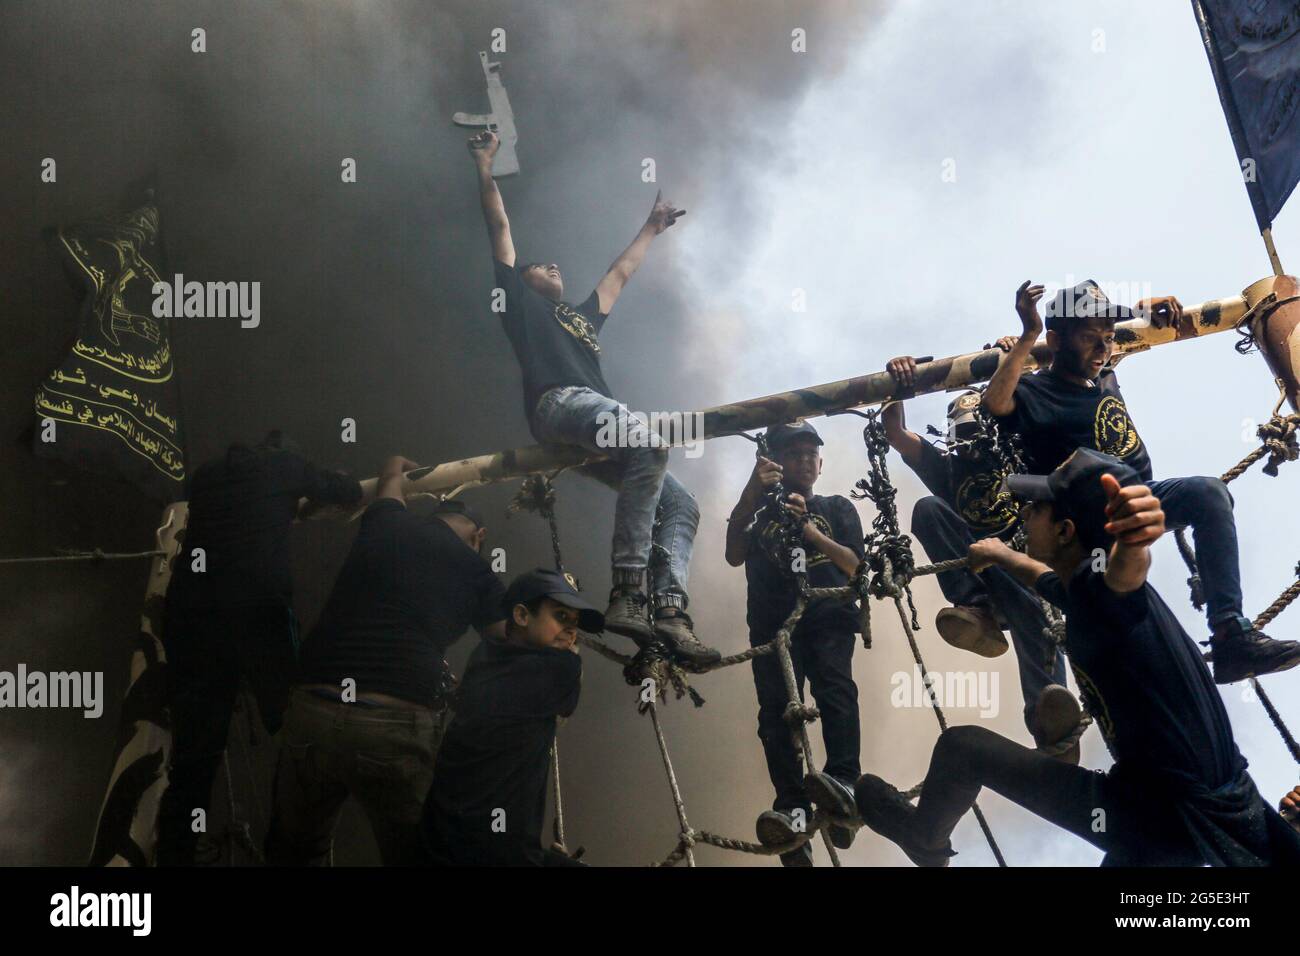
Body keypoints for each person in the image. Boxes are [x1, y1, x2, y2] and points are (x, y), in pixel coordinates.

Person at [854, 448, 1300, 866]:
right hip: (1184, 806)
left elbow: (1126, 572)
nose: (1024, 514)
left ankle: (925, 840)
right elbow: (1049, 581)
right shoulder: (1082, 589)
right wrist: (1004, 555)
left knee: (962, 748)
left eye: (1036, 509)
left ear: (1066, 531)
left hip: (1162, 816)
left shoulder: (1106, 592)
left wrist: (1134, 538)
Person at [467, 128, 717, 668]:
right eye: (540, 265)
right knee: (649, 446)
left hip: (594, 419)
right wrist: (485, 166)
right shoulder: (516, 302)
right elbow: (500, 226)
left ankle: (669, 609)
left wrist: (652, 227)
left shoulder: (580, 318)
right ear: (523, 279)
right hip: (560, 405)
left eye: (554, 265)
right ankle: (629, 590)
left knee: (680, 502)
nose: (551, 266)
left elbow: (621, 273)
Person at [983, 278, 1300, 684]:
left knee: (1207, 493)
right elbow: (995, 403)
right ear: (1057, 341)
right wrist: (1028, 335)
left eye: (1108, 337)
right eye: (1088, 338)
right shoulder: (1034, 390)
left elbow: (1131, 338)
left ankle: (1230, 636)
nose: (1102, 348)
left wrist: (1143, 310)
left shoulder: (1104, 371)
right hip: (1085, 516)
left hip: (1137, 501)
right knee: (1118, 625)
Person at [264, 456, 507, 865]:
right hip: (393, 725)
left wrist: (396, 466)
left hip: (313, 710)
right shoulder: (479, 573)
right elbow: (510, 645)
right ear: (478, 535)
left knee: (295, 854)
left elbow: (390, 482)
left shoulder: (387, 523)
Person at [155, 431, 362, 865]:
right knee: (296, 729)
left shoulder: (208, 476)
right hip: (257, 612)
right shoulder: (285, 465)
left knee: (194, 755)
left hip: (192, 615)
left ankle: (173, 856)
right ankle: (293, 853)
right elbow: (344, 492)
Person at [883, 352, 1077, 757]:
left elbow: (1049, 416)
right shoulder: (946, 467)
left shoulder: (1020, 460)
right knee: (929, 508)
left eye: (978, 432)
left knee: (1035, 613)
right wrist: (897, 388)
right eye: (963, 433)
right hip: (981, 574)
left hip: (1026, 571)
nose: (971, 443)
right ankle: (975, 609)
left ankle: (1049, 720)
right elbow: (897, 434)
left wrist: (1020, 362)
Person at [725, 421, 865, 865]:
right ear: (777, 462)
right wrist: (750, 494)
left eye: (811, 454)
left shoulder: (837, 507)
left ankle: (844, 782)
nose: (804, 460)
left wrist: (810, 530)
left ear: (821, 465)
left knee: (836, 691)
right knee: (775, 716)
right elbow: (733, 553)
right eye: (793, 453)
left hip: (827, 617)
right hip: (772, 629)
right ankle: (793, 811)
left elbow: (853, 566)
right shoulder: (757, 516)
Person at [422, 569, 602, 866]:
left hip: (440, 841)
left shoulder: (483, 655)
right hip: (496, 855)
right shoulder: (560, 670)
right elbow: (568, 688)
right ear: (521, 615)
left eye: (575, 623)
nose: (572, 632)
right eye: (560, 616)